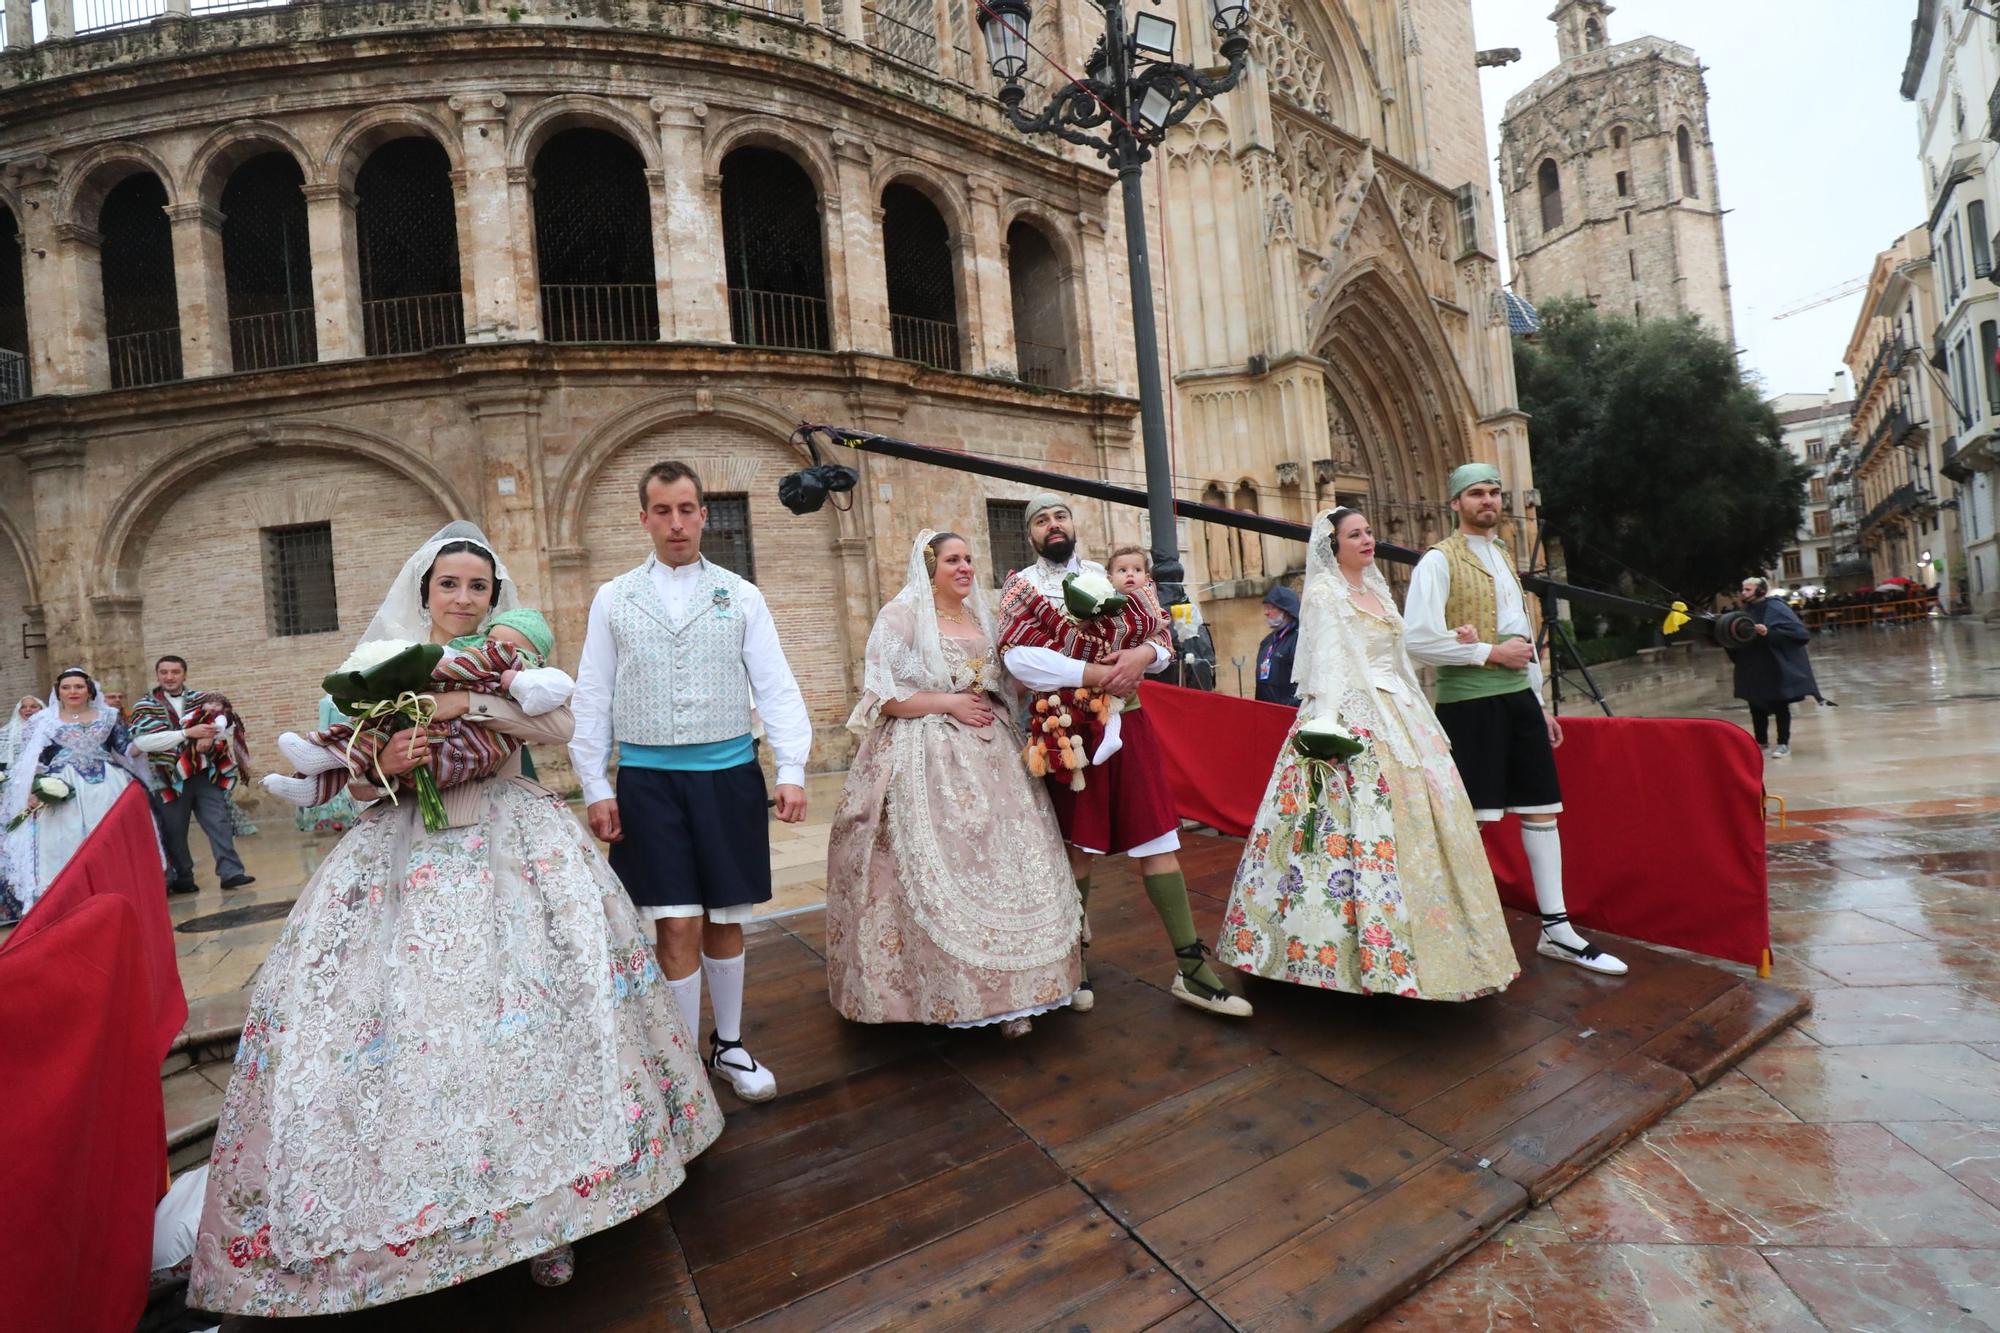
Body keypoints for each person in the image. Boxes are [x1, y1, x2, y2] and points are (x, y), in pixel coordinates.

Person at [190, 522, 722, 1313]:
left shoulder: (511, 663)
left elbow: (558, 725)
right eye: (451, 585)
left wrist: (469, 698)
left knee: (532, 1031)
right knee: (415, 1037)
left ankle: (551, 1222)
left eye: (479, 587)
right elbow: (356, 781)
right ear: (426, 593)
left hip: (512, 847)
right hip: (402, 859)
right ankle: (423, 1224)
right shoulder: (375, 668)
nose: (464, 598)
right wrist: (387, 761)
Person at [571, 461, 810, 1104]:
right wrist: (595, 784)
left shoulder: (742, 595)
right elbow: (593, 694)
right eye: (662, 511)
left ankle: (728, 1044)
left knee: (724, 916)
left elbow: (776, 685)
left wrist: (790, 769)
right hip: (648, 782)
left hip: (728, 776)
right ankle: (680, 1066)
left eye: (686, 509)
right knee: (673, 921)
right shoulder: (613, 597)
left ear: (704, 514)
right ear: (644, 517)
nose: (676, 523)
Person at [1218, 509, 1519, 998]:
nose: (1367, 540)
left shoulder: (1379, 592)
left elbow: (1401, 655)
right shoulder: (1323, 593)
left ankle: (1442, 948)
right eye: (1354, 534)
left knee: (1426, 827)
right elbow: (1331, 664)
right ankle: (1328, 960)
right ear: (1332, 546)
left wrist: (1462, 641)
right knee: (1335, 837)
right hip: (1350, 715)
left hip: (1400, 712)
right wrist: (1326, 730)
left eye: (1368, 532)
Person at [996, 495, 1253, 1018]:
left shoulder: (1109, 576)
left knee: (1157, 837)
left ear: (1073, 524)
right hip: (1065, 730)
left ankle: (1192, 971)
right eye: (1042, 521)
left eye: (1060, 516)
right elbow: (1018, 657)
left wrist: (1141, 654)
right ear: (1031, 534)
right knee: (1076, 849)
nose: (1053, 526)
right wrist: (1093, 674)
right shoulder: (1021, 588)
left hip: (1128, 720)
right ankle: (1075, 962)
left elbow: (1158, 636)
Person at [826, 531, 1083, 1037]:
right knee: (933, 867)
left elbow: (1005, 683)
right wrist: (948, 703)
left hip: (995, 758)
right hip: (925, 755)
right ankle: (954, 994)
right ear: (929, 567)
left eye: (968, 559)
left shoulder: (982, 617)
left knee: (1014, 866)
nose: (964, 567)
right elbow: (883, 696)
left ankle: (1027, 991)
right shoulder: (900, 616)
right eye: (952, 560)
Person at [1403, 464, 1626, 976]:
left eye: (1494, 492)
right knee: (1473, 822)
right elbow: (1416, 639)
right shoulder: (1438, 561)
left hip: (1519, 703)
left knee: (1543, 811)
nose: (1488, 500)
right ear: (1456, 503)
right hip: (1468, 706)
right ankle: (1456, 930)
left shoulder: (1504, 554)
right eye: (1477, 493)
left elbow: (1521, 640)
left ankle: (1558, 931)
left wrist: (1539, 702)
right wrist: (1487, 653)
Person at [0, 669, 155, 920]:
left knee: (106, 838)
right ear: (58, 691)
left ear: (89, 691)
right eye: (67, 687)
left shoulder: (109, 717)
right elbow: (33, 761)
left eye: (79, 687)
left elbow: (126, 749)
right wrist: (32, 790)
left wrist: (157, 740)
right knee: (64, 841)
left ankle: (113, 893)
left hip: (107, 788)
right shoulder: (43, 721)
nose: (73, 692)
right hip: (62, 791)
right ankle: (70, 900)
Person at [130, 656, 255, 893]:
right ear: (157, 675)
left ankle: (231, 872)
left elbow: (227, 723)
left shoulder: (203, 700)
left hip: (205, 772)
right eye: (164, 672)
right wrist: (188, 733)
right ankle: (183, 876)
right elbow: (144, 741)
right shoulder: (145, 705)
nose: (169, 677)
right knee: (174, 828)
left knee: (218, 821)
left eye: (175, 672)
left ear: (184, 675)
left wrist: (209, 734)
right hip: (167, 777)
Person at [1729, 576, 1828, 759]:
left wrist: (1768, 633)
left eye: (1748, 590)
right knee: (1755, 703)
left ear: (1760, 590)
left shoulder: (1776, 607)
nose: (1743, 593)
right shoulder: (1745, 611)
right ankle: (1761, 742)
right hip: (1752, 663)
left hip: (1774, 664)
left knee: (1780, 703)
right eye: (1743, 589)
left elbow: (1797, 634)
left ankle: (1783, 743)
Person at [1255, 585, 1302, 708]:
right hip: (1266, 713)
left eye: (1271, 608)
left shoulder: (1299, 639)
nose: (1266, 612)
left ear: (1286, 610)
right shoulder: (1267, 641)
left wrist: (1290, 706)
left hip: (1288, 713)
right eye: (1266, 608)